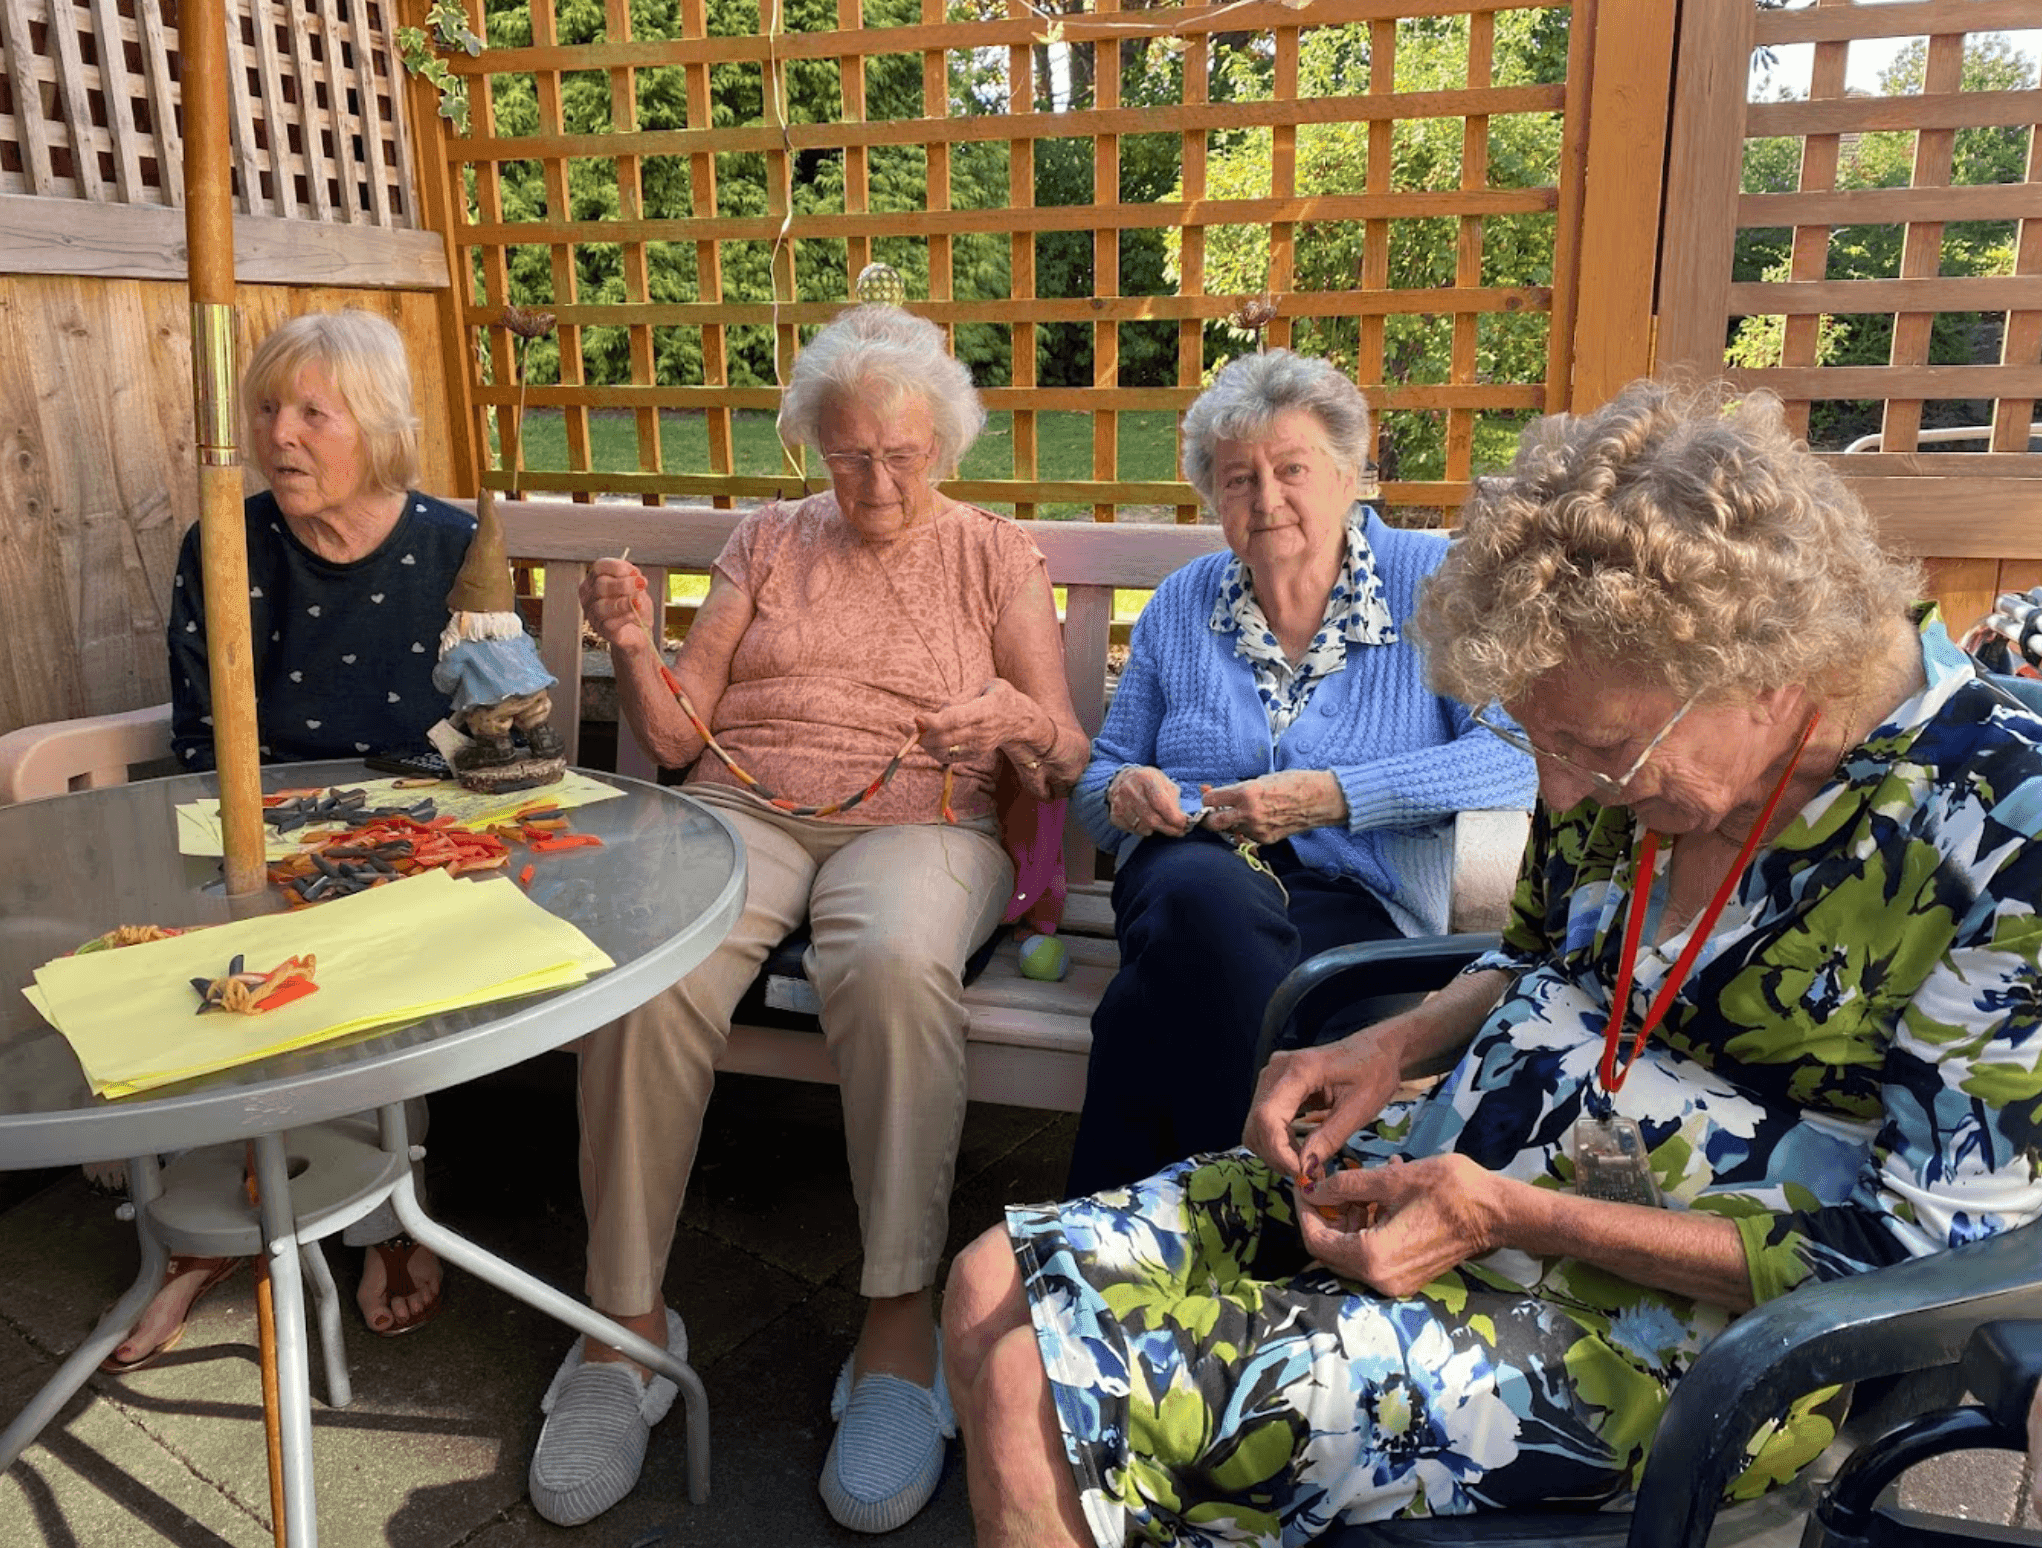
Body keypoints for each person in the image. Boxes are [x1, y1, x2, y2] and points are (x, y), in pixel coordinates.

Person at [943, 378, 2042, 1546]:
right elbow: (1532, 959)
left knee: (1039, 1391)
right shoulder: (1622, 737)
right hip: (1455, 1168)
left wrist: (1513, 1216)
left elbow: (1921, 1254)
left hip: (1682, 1326)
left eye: (1595, 751)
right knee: (985, 1284)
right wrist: (1390, 1041)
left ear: (1769, 671)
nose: (1558, 792)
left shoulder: (2002, 833)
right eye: (1536, 741)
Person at [529, 303, 1089, 1532]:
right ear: (811, 450)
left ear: (942, 447)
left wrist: (1003, 718)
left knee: (891, 964)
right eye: (847, 455)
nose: (875, 482)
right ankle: (621, 1328)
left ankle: (898, 1330)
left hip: (924, 819)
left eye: (899, 455)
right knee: (656, 966)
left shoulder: (993, 553)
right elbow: (678, 738)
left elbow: (1063, 753)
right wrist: (631, 642)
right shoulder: (767, 539)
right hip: (744, 803)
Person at [1066, 349, 1535, 1196]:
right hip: (1191, 873)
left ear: (1353, 473)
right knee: (1204, 906)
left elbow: (1516, 757)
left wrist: (1338, 797)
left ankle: (1126, 1225)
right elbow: (1099, 783)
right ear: (1213, 495)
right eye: (1238, 478)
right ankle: (1266, 1205)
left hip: (1357, 903)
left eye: (1292, 469)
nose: (1266, 499)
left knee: (1151, 1007)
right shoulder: (1183, 602)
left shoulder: (1434, 584)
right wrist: (1127, 796)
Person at [126, 309, 454, 1369]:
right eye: (268, 409)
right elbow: (195, 727)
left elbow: (497, 730)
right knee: (200, 924)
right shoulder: (223, 543)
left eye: (316, 412)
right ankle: (211, 1205)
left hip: (412, 822)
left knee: (374, 925)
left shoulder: (447, 545)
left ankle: (383, 1209)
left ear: (379, 427)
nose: (282, 435)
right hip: (252, 813)